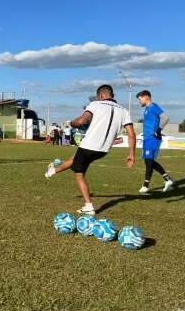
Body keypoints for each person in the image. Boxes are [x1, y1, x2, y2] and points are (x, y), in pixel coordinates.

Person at [45, 85, 136, 215]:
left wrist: (72, 123)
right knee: (76, 158)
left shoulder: (95, 104)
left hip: (89, 145)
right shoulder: (124, 111)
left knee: (79, 173)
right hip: (103, 150)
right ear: (112, 95)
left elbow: (82, 120)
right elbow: (131, 133)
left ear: (101, 96)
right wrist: (131, 154)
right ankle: (53, 171)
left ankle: (88, 206)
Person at [136, 90, 176, 193]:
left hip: (152, 138)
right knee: (149, 161)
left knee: (149, 161)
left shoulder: (153, 107)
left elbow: (165, 118)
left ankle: (145, 185)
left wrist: (158, 129)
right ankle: (168, 180)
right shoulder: (147, 109)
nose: (139, 102)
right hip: (147, 138)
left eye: (140, 99)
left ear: (146, 97)